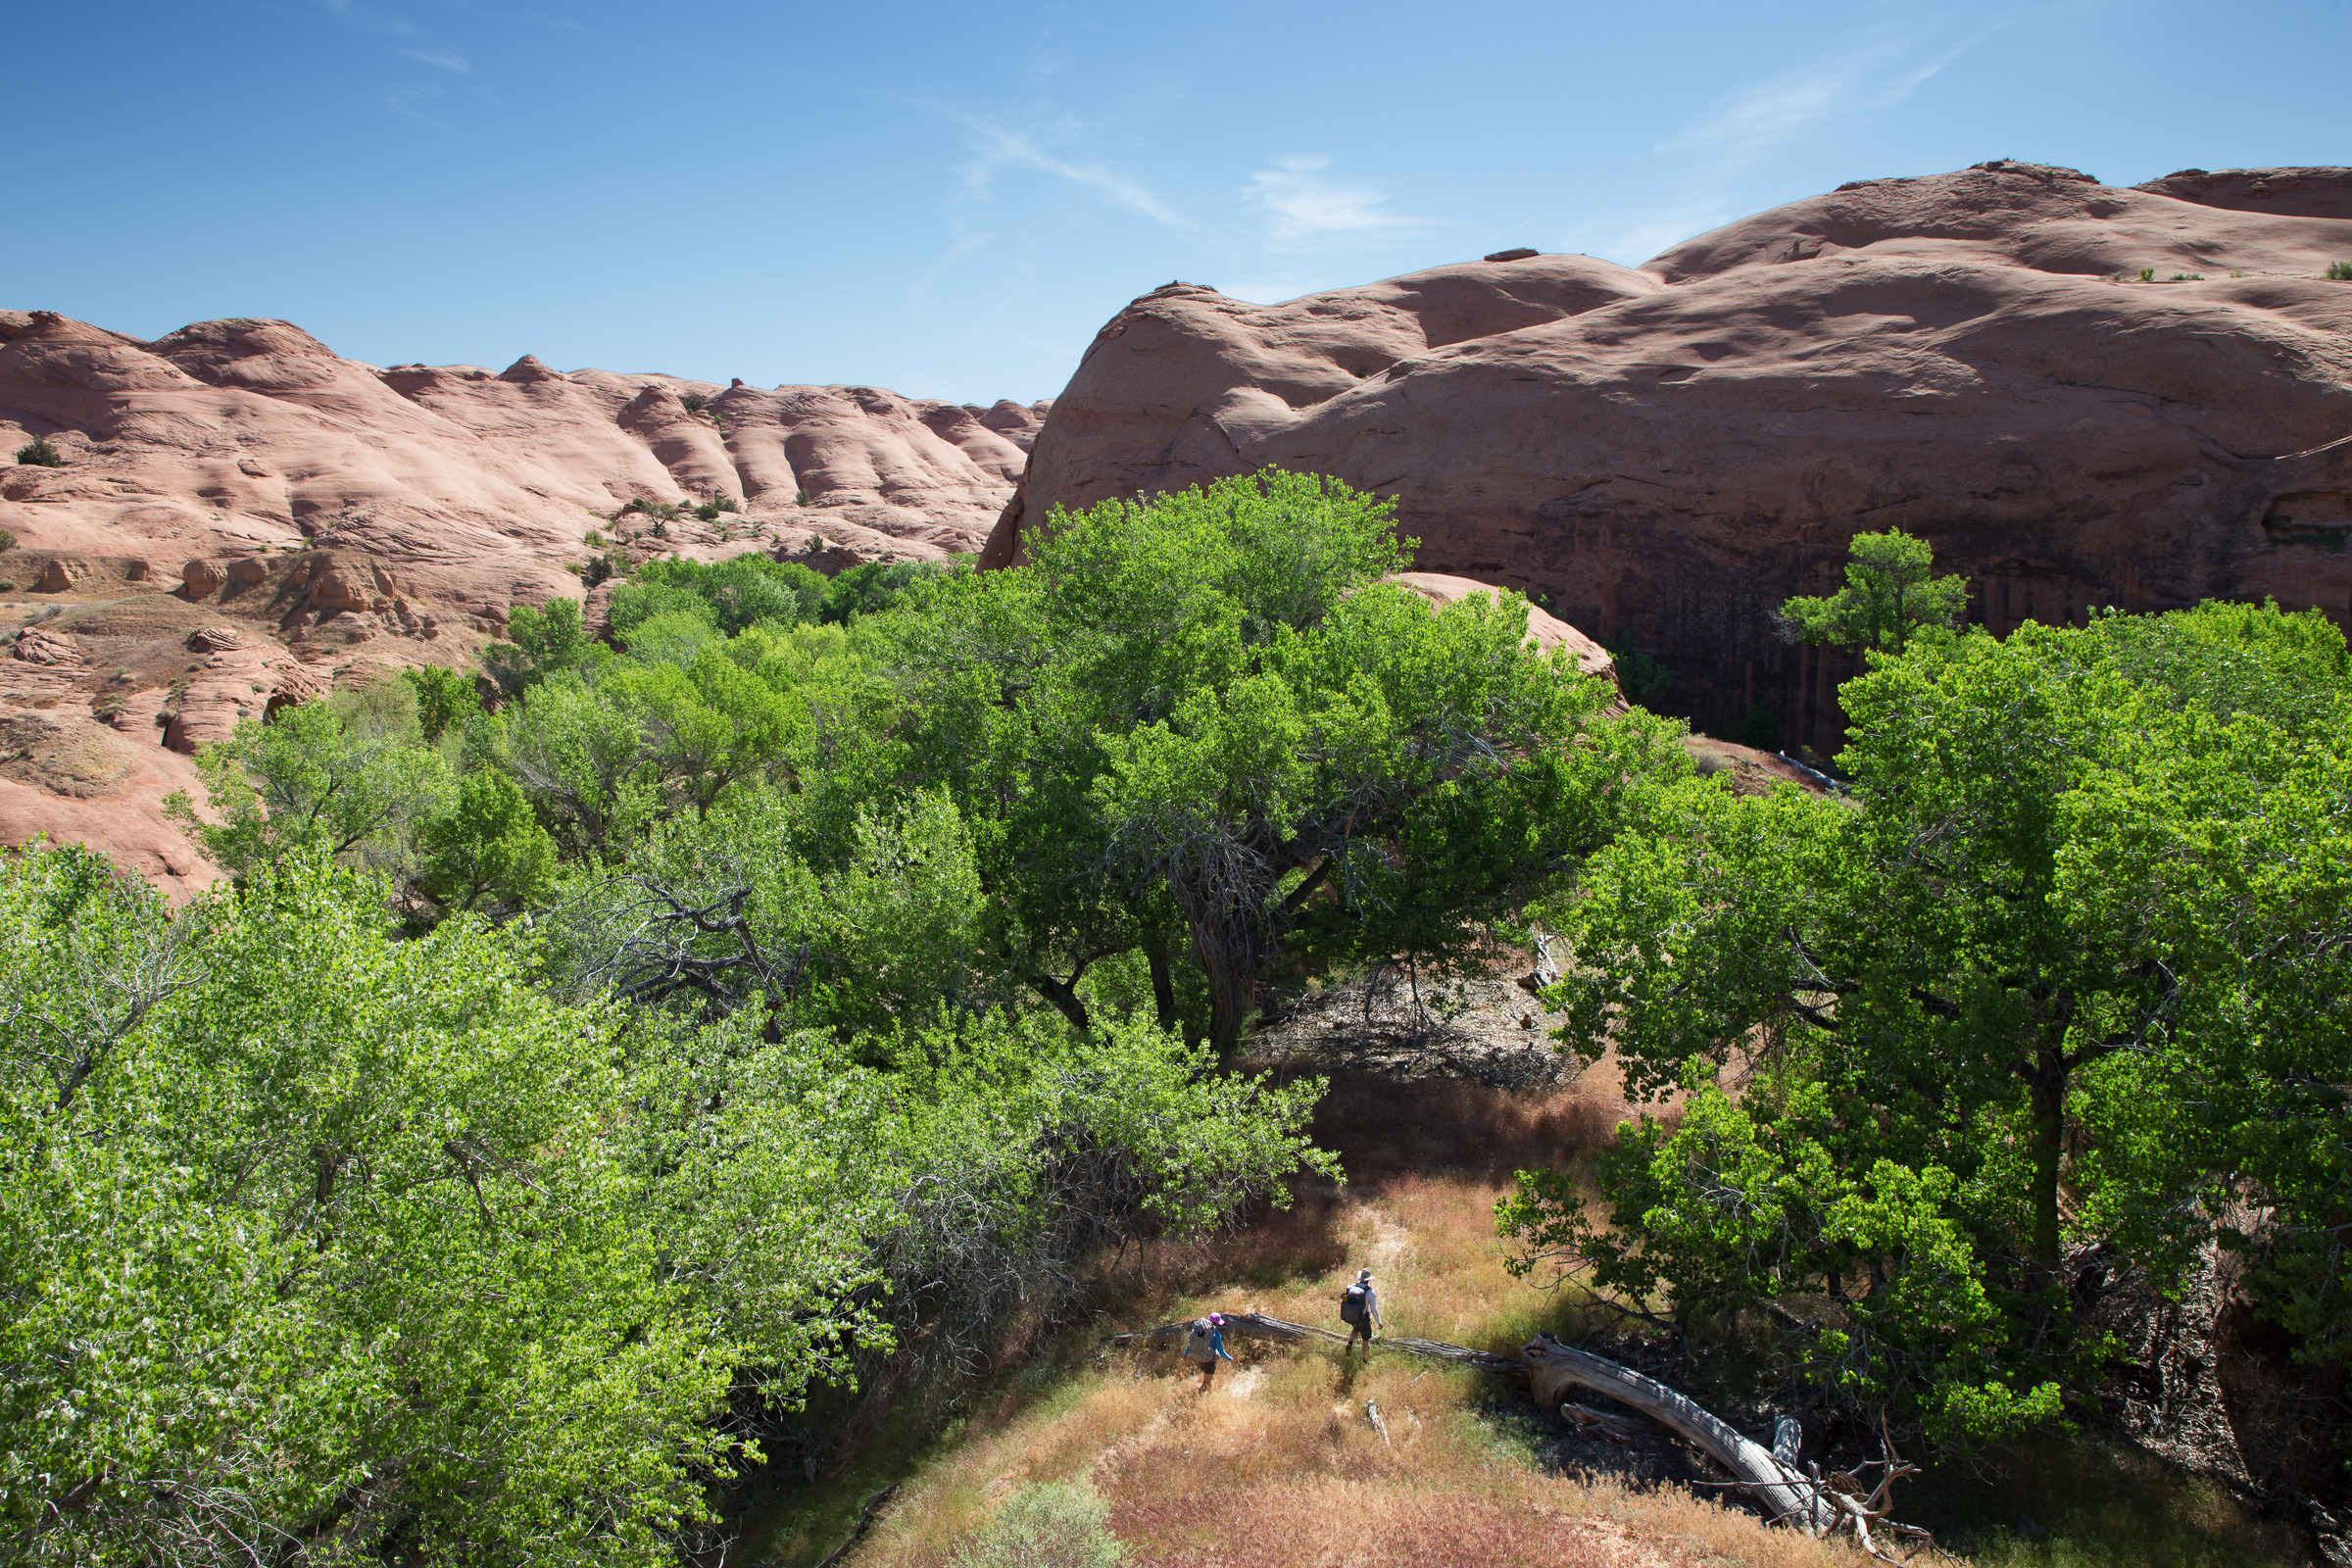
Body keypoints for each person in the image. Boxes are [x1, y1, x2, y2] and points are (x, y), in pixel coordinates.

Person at [1182, 1311, 1235, 1389]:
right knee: (1206, 1383)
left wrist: (1185, 1354)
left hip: (1200, 1358)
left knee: (1207, 1382)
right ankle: (1200, 1397)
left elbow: (1192, 1343)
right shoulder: (1217, 1334)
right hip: (1210, 1361)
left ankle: (1209, 1395)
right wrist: (1230, 1358)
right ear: (1217, 1323)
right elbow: (1221, 1351)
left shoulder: (1201, 1332)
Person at [1340, 1268, 1382, 1350]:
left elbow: (1345, 1299)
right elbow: (1373, 1309)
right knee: (1365, 1339)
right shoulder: (1370, 1292)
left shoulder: (1352, 1287)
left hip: (1352, 1315)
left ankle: (1350, 1343)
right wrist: (1379, 1322)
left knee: (1356, 1328)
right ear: (1368, 1280)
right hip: (1363, 1318)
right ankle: (1365, 1360)